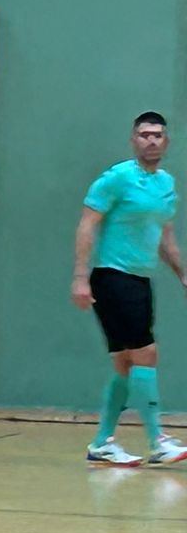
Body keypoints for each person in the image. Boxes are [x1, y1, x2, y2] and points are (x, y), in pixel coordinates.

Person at [74, 111, 187, 466]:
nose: (151, 140)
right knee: (146, 353)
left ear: (166, 141)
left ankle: (102, 443)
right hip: (112, 276)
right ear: (133, 140)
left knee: (125, 363)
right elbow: (87, 225)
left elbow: (165, 237)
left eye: (157, 135)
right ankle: (158, 440)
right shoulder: (117, 178)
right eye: (144, 134)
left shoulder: (166, 184)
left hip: (140, 279)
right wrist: (80, 277)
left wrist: (182, 274)